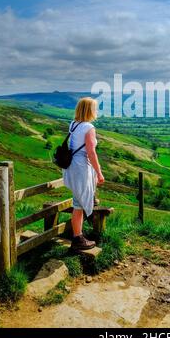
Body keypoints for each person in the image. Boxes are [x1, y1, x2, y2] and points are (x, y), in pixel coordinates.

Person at [63, 97, 104, 251]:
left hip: (72, 166)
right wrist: (99, 173)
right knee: (78, 204)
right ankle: (77, 238)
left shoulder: (74, 124)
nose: (96, 111)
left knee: (78, 202)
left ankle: (78, 235)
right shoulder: (89, 127)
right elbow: (91, 152)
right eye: (94, 108)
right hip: (81, 168)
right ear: (89, 110)